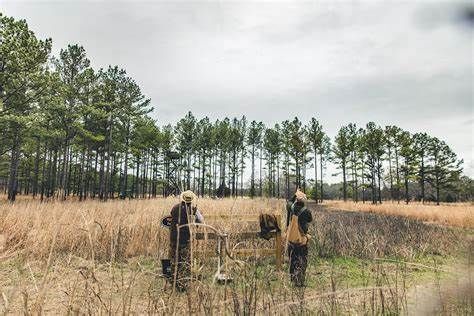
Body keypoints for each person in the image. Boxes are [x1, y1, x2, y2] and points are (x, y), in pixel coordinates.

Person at [169, 190, 204, 292]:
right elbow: (201, 220)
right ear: (191, 200)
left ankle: (174, 282)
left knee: (174, 260)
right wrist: (196, 224)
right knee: (185, 261)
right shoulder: (192, 209)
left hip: (174, 238)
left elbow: (171, 218)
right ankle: (183, 285)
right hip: (185, 239)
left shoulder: (175, 208)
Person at [286, 189, 313, 287]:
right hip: (302, 240)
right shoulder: (306, 211)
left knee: (293, 259)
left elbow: (289, 202)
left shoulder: (291, 207)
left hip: (291, 239)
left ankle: (293, 280)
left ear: (296, 200)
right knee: (302, 259)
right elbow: (310, 219)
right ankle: (300, 281)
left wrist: (295, 193)